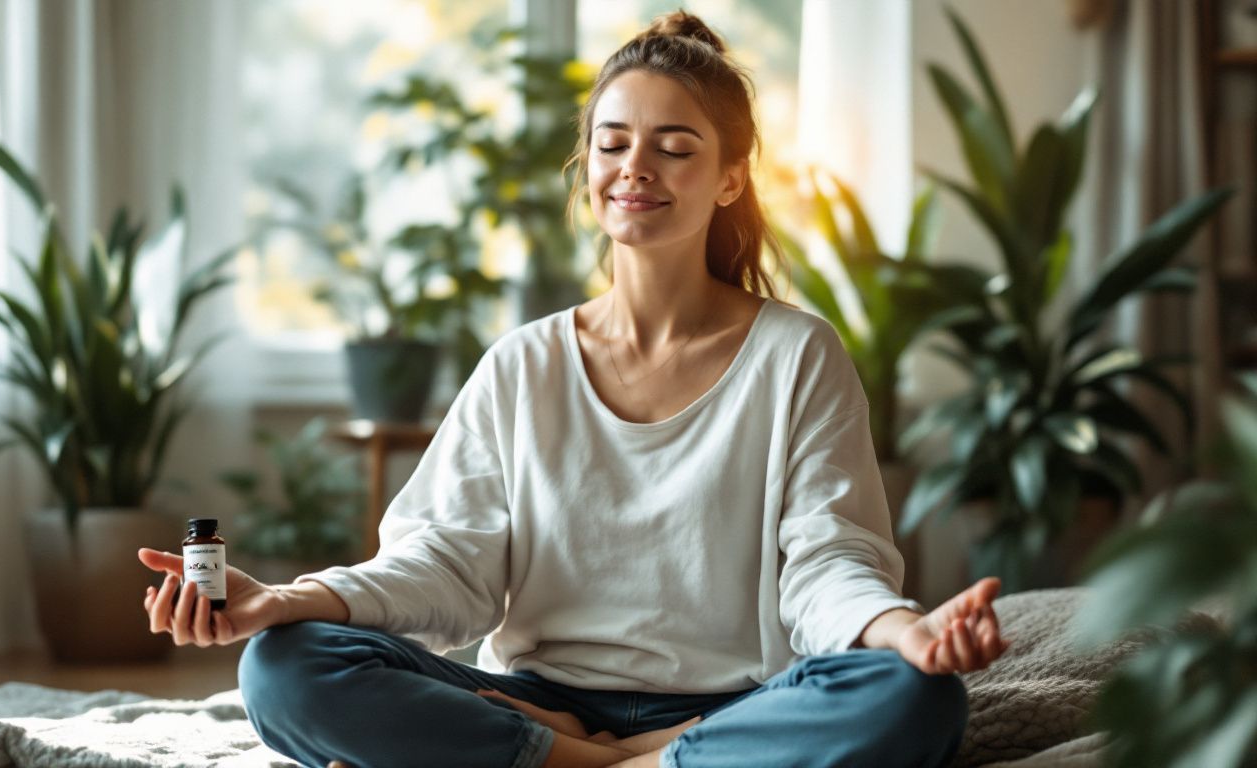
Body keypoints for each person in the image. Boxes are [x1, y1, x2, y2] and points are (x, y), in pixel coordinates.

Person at [139, 11, 1008, 768]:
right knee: (284, 668)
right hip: (538, 695)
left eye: (675, 148)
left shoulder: (798, 355)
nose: (637, 168)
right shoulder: (523, 363)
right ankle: (626, 760)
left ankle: (596, 762)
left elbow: (829, 563)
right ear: (586, 163)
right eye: (613, 142)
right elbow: (445, 562)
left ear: (732, 178)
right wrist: (283, 600)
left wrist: (907, 634)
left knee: (914, 698)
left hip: (732, 704)